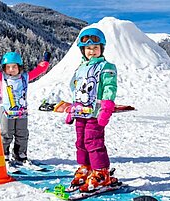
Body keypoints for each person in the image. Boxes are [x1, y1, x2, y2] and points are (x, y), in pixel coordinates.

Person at [0, 45, 51, 165]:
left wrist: (46, 60)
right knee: (6, 133)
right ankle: (3, 153)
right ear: (4, 68)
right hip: (6, 111)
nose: (11, 69)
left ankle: (20, 153)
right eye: (8, 67)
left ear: (19, 67)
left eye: (14, 66)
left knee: (22, 133)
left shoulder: (25, 77)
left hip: (21, 112)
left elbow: (40, 70)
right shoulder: (1, 77)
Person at [67, 27, 117, 192]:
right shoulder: (80, 68)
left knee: (93, 142)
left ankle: (101, 173)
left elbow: (110, 86)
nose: (92, 51)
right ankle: (86, 167)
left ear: (101, 48)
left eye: (95, 48)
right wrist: (72, 109)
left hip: (95, 113)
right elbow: (75, 90)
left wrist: (107, 106)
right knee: (81, 142)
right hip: (80, 113)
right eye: (88, 48)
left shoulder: (105, 66)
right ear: (83, 50)